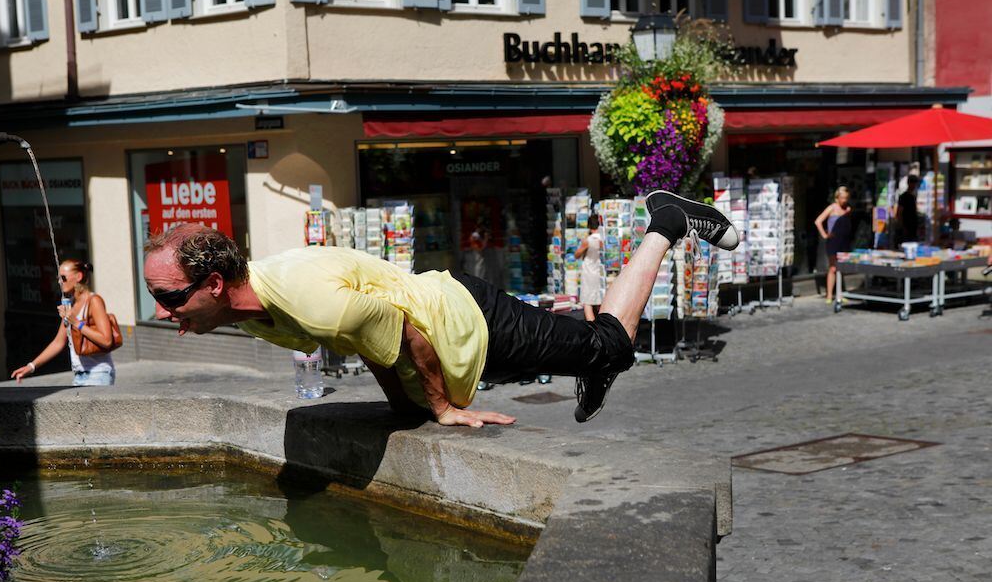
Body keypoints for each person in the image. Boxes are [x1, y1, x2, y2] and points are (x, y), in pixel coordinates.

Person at [142, 190, 738, 427]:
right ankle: (588, 362)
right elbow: (370, 341)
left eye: (169, 299)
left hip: (470, 325)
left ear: (215, 283)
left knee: (614, 346)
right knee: (575, 344)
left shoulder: (305, 300)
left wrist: (440, 409)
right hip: (460, 329)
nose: (166, 313)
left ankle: (665, 222)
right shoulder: (257, 309)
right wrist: (405, 409)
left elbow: (403, 334)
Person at [11, 259, 117, 386]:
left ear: (79, 276)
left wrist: (77, 323)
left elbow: (107, 340)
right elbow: (58, 342)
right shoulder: (71, 304)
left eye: (63, 278)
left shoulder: (94, 301)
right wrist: (31, 366)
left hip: (99, 374)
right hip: (79, 376)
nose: (60, 282)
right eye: (58, 278)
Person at [814, 186, 853, 304]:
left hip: (843, 241)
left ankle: (840, 293)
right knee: (833, 267)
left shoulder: (847, 209)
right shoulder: (832, 208)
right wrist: (825, 235)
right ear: (837, 198)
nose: (844, 200)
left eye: (846, 198)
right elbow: (818, 221)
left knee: (841, 267)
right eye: (842, 198)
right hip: (833, 241)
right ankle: (829, 295)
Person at [575, 214, 605, 321]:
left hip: (589, 273)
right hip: (600, 273)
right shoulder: (604, 239)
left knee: (587, 302)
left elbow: (577, 255)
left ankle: (593, 329)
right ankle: (604, 325)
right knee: (600, 301)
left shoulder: (588, 240)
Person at [895, 174, 920, 246]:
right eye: (913, 183)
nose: (914, 185)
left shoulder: (913, 196)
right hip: (906, 226)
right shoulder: (903, 196)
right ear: (909, 183)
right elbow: (899, 212)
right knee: (906, 244)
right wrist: (901, 225)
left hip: (913, 226)